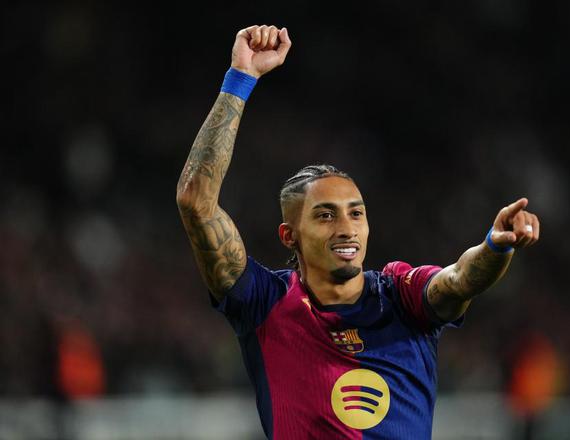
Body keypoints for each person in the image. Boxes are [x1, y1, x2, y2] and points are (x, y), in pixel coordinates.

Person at [176, 24, 540, 440]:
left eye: (356, 213)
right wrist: (240, 78)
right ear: (289, 236)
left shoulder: (400, 296)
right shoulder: (264, 303)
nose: (347, 228)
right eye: (325, 216)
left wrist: (495, 245)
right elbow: (195, 201)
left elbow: (459, 279)